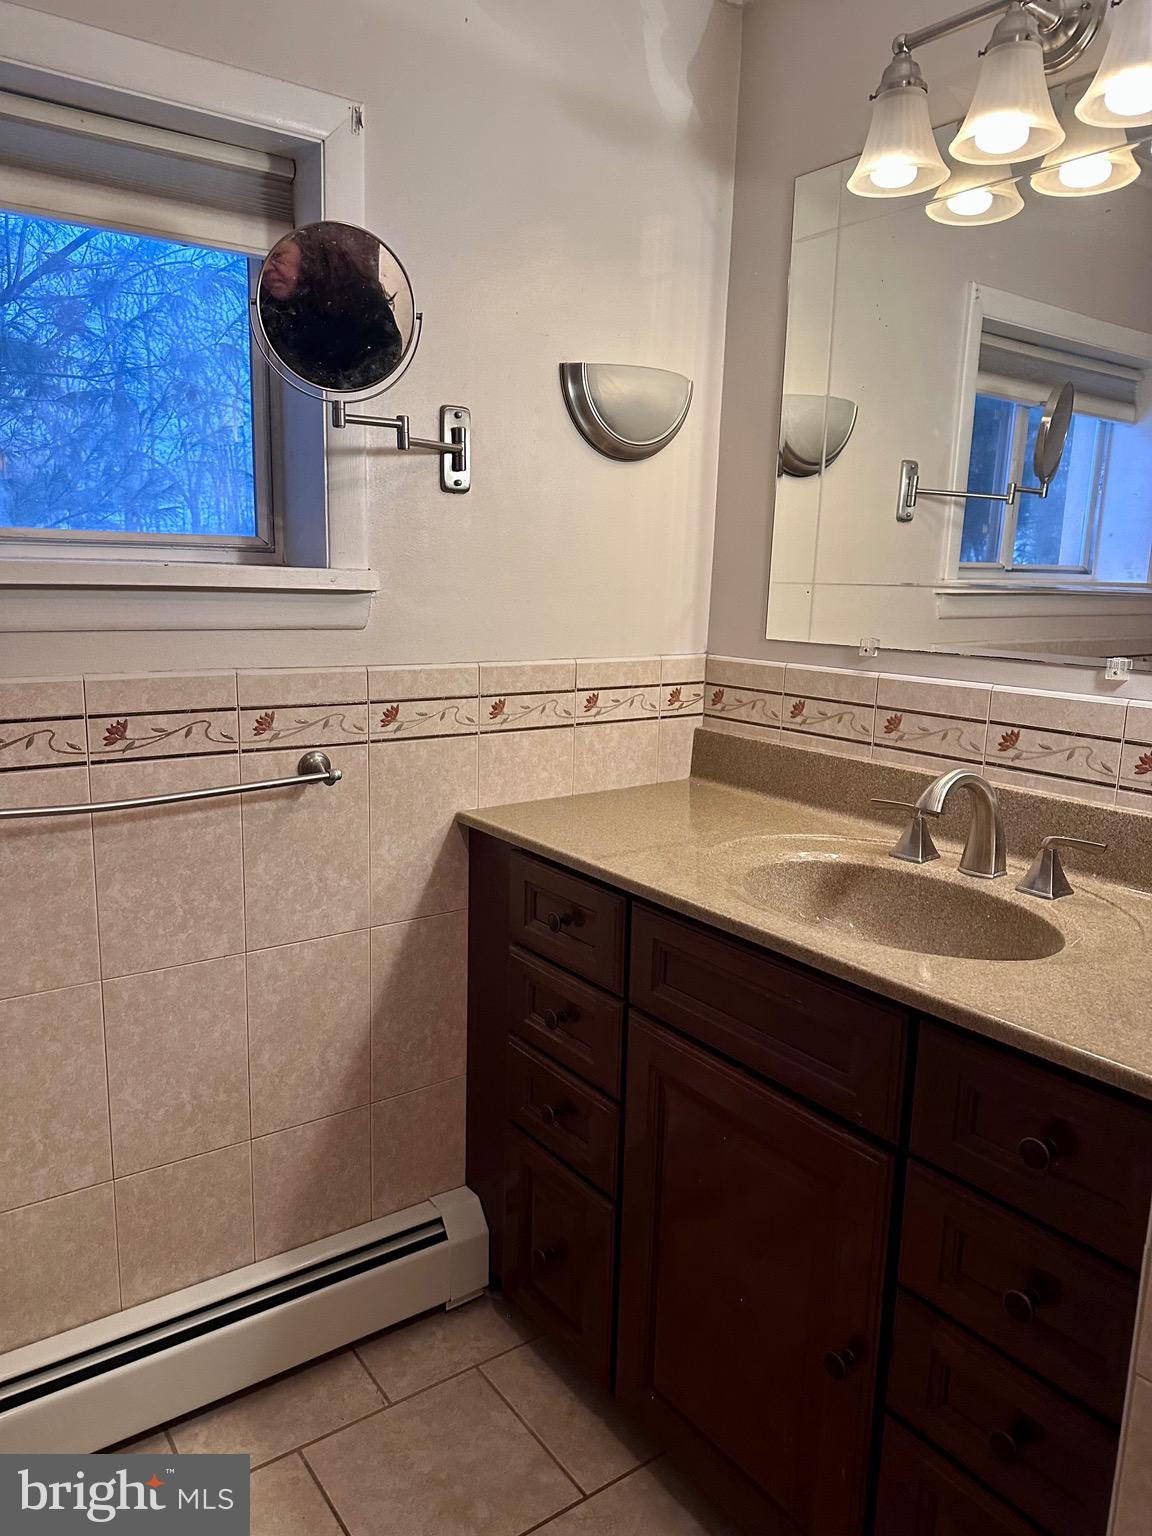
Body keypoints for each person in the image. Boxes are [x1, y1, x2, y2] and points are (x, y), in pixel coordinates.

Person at [258, 222, 404, 391]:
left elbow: (387, 357)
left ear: (308, 255)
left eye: (277, 256)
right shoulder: (269, 314)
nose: (266, 268)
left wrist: (341, 386)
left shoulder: (360, 301)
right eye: (262, 260)